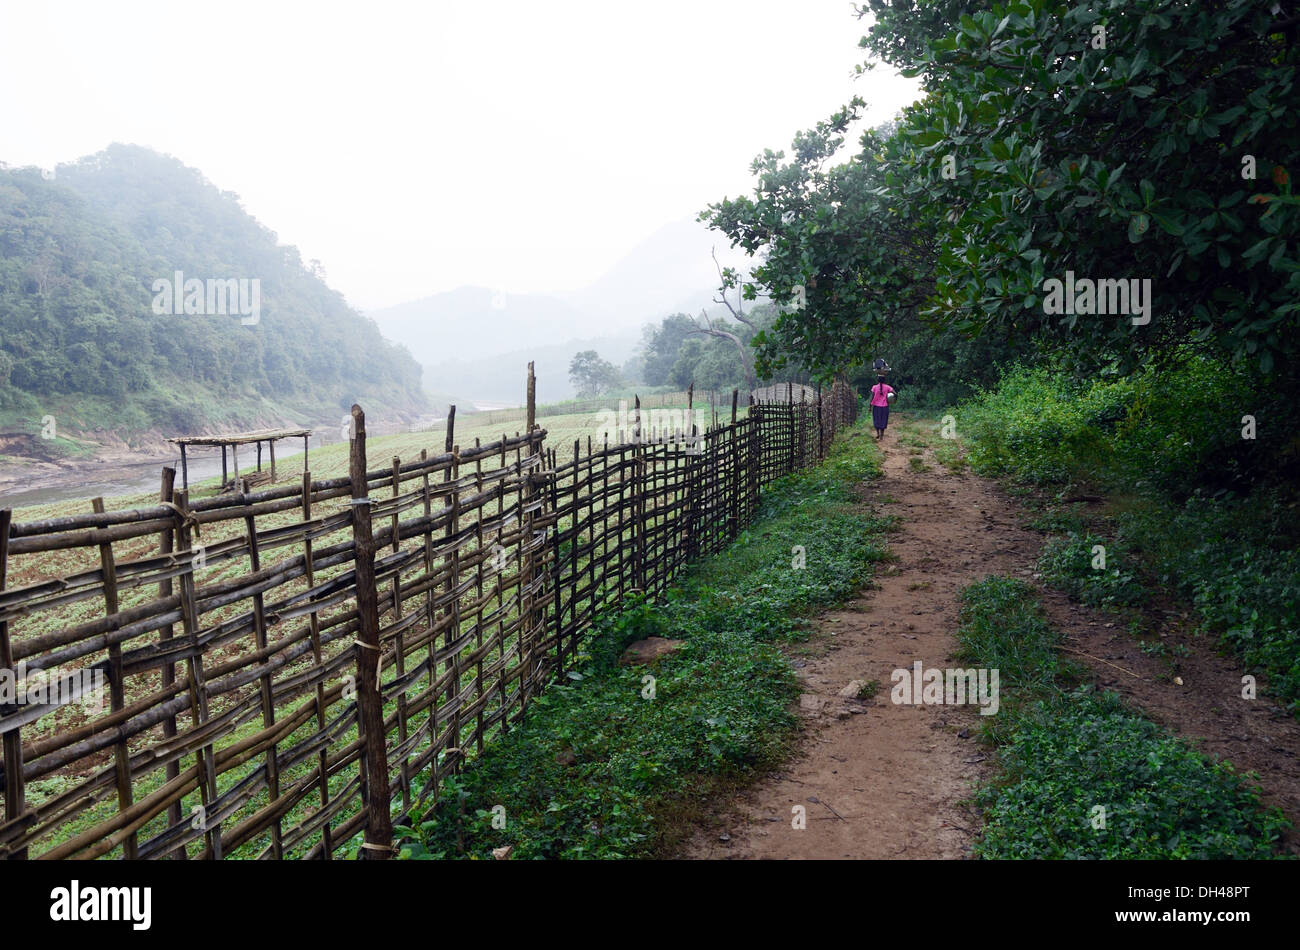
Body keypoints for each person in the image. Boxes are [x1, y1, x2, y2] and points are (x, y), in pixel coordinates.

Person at [870, 374, 896, 440]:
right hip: (885, 406)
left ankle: (877, 434)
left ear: (877, 380)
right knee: (883, 421)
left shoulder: (874, 387)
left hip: (876, 406)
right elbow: (895, 393)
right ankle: (881, 436)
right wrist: (893, 400)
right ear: (884, 380)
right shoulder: (887, 387)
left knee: (876, 420)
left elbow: (872, 397)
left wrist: (870, 406)